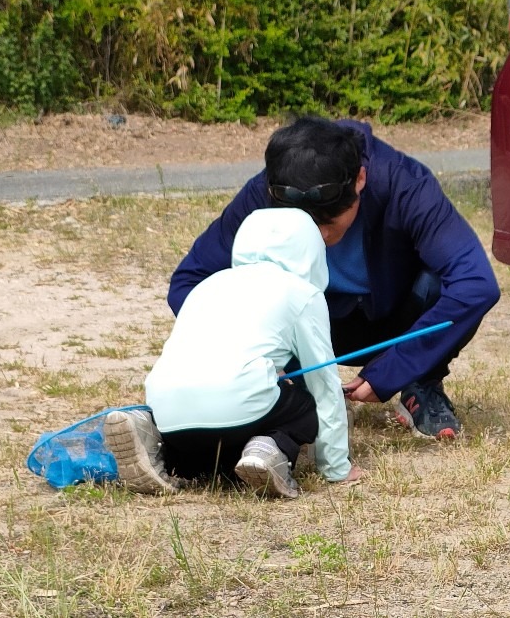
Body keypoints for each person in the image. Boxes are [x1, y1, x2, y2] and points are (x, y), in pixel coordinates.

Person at [168, 116, 500, 440]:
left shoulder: (404, 183)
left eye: (330, 220)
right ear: (274, 192)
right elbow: (190, 280)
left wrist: (396, 368)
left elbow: (477, 283)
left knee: (443, 281)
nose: (319, 236)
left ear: (360, 179)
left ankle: (421, 383)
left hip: (397, 326)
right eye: (303, 224)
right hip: (306, 330)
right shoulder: (264, 193)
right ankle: (296, 390)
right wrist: (254, 358)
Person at [105, 208, 361, 496]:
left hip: (168, 408)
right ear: (311, 251)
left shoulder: (207, 285)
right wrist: (337, 467)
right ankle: (270, 447)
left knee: (210, 464)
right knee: (305, 405)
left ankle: (157, 444)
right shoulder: (302, 292)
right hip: (242, 403)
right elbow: (323, 384)